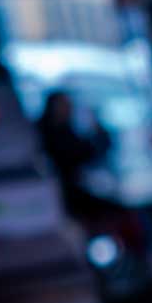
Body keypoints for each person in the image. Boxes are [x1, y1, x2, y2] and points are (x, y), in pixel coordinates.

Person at [36, 91, 113, 222]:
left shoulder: (65, 129)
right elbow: (84, 153)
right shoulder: (47, 133)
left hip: (72, 189)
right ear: (53, 106)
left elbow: (89, 151)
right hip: (63, 194)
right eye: (65, 104)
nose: (69, 109)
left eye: (69, 105)